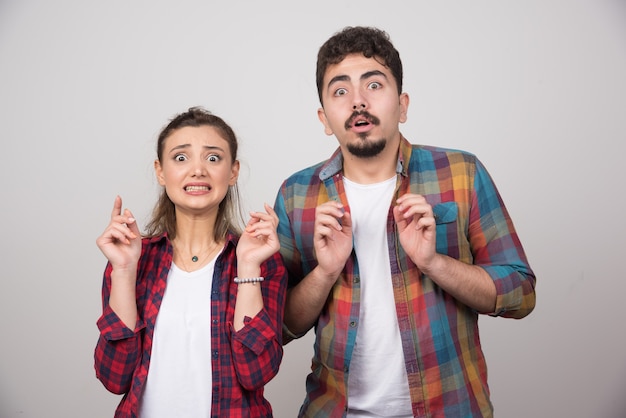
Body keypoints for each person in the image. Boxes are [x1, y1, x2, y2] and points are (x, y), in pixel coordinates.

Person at [273, 26, 537, 417]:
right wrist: (325, 273)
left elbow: (521, 294)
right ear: (324, 117)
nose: (358, 102)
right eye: (340, 91)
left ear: (403, 104)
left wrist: (434, 263)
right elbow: (278, 327)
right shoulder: (297, 194)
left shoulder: (461, 174)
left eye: (374, 85)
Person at [94, 107, 287, 418]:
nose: (198, 170)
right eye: (181, 158)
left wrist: (248, 267)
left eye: (213, 158)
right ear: (160, 171)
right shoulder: (134, 260)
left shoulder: (263, 262)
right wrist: (124, 271)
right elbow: (113, 377)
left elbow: (257, 372)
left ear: (233, 171)